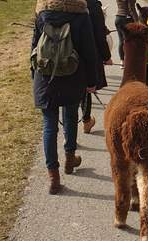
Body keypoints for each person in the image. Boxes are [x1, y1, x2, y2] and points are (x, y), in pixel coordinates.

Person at [32, 0, 97, 194]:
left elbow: (34, 45)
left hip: (45, 75)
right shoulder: (81, 12)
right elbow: (89, 51)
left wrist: (33, 74)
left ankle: (53, 175)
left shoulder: (42, 11)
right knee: (70, 116)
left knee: (49, 124)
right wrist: (92, 81)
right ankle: (70, 159)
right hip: (73, 74)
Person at [82, 0, 113, 134]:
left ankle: (83, 123)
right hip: (88, 53)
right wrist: (106, 57)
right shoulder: (93, 5)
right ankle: (86, 120)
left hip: (67, 55)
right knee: (87, 87)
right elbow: (100, 35)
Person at [115, 0, 137, 66]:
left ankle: (122, 61)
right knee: (131, 41)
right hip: (127, 18)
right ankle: (131, 60)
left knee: (121, 40)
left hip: (118, 18)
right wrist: (137, 21)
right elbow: (131, 8)